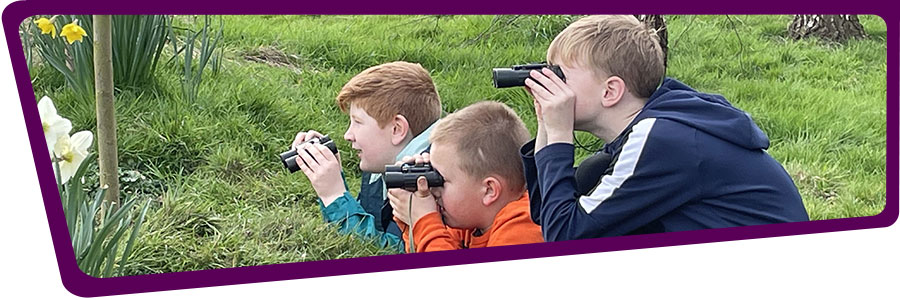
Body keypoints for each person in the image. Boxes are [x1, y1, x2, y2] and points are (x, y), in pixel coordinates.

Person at [521, 15, 809, 241]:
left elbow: (566, 239)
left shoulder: (661, 139)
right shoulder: (657, 126)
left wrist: (560, 137)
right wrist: (547, 125)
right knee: (591, 175)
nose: (551, 85)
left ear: (610, 92)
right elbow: (548, 218)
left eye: (560, 76)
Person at [292, 61, 442, 250]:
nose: (348, 135)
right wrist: (336, 183)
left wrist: (334, 196)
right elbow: (373, 228)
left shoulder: (428, 179)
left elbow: (389, 253)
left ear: (397, 129)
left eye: (358, 122)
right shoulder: (384, 163)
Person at [387, 101, 543, 253]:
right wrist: (413, 222)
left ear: (489, 190)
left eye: (440, 180)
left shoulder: (523, 225)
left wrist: (425, 222)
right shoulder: (471, 221)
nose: (434, 190)